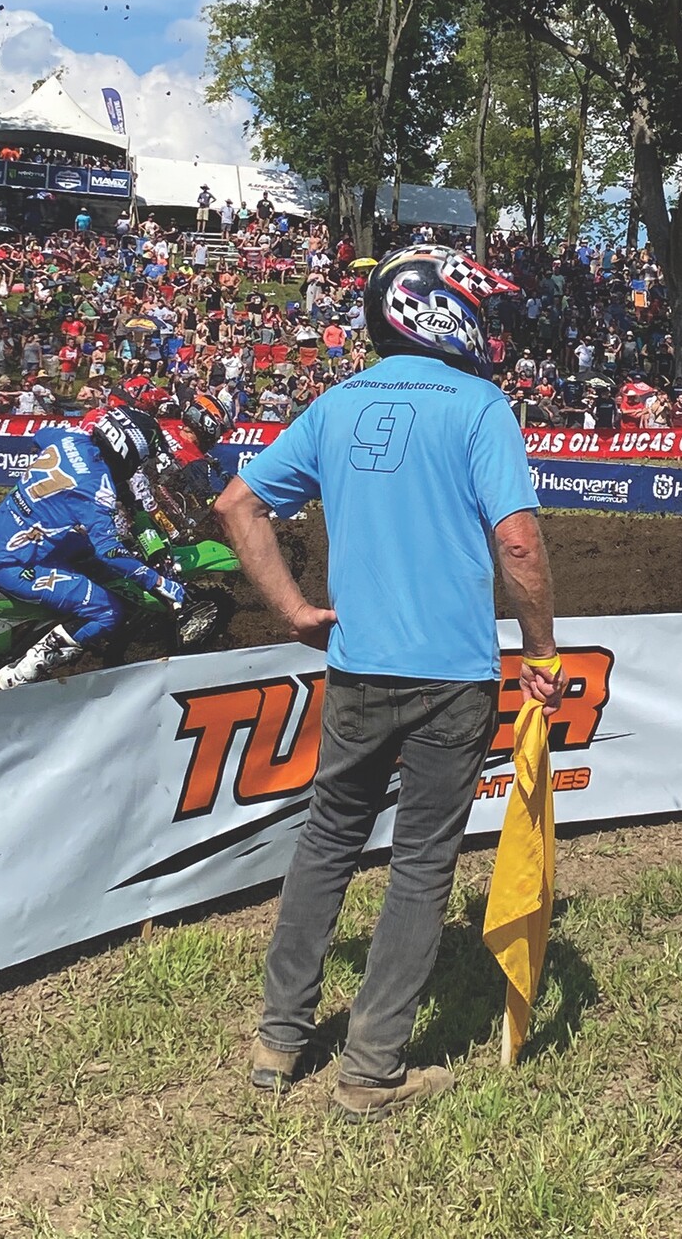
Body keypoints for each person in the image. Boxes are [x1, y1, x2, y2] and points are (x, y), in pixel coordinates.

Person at [216, 244, 563, 1122]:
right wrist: (543, 651)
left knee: (328, 839)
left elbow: (235, 505)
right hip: (451, 674)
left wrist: (295, 609)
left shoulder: (336, 403)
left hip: (359, 664)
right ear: (443, 310)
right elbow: (518, 542)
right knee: (420, 865)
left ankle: (278, 1040)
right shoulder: (481, 405)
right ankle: (371, 1070)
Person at [0, 407, 185, 689]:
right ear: (128, 452)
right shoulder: (98, 488)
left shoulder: (69, 439)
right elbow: (109, 550)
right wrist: (157, 581)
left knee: (85, 550)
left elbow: (40, 435)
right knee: (109, 611)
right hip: (14, 563)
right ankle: (22, 673)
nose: (137, 468)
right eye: (139, 461)